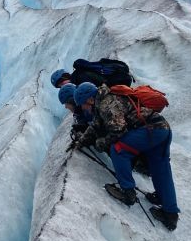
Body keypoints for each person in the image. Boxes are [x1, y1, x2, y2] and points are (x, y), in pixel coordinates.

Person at [73, 82, 180, 230]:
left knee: (118, 150)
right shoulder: (106, 100)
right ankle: (170, 213)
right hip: (162, 129)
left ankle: (127, 192)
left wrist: (100, 143)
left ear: (90, 100)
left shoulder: (106, 104)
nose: (83, 108)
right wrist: (82, 141)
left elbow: (118, 131)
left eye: (83, 104)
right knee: (160, 168)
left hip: (150, 130)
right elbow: (96, 125)